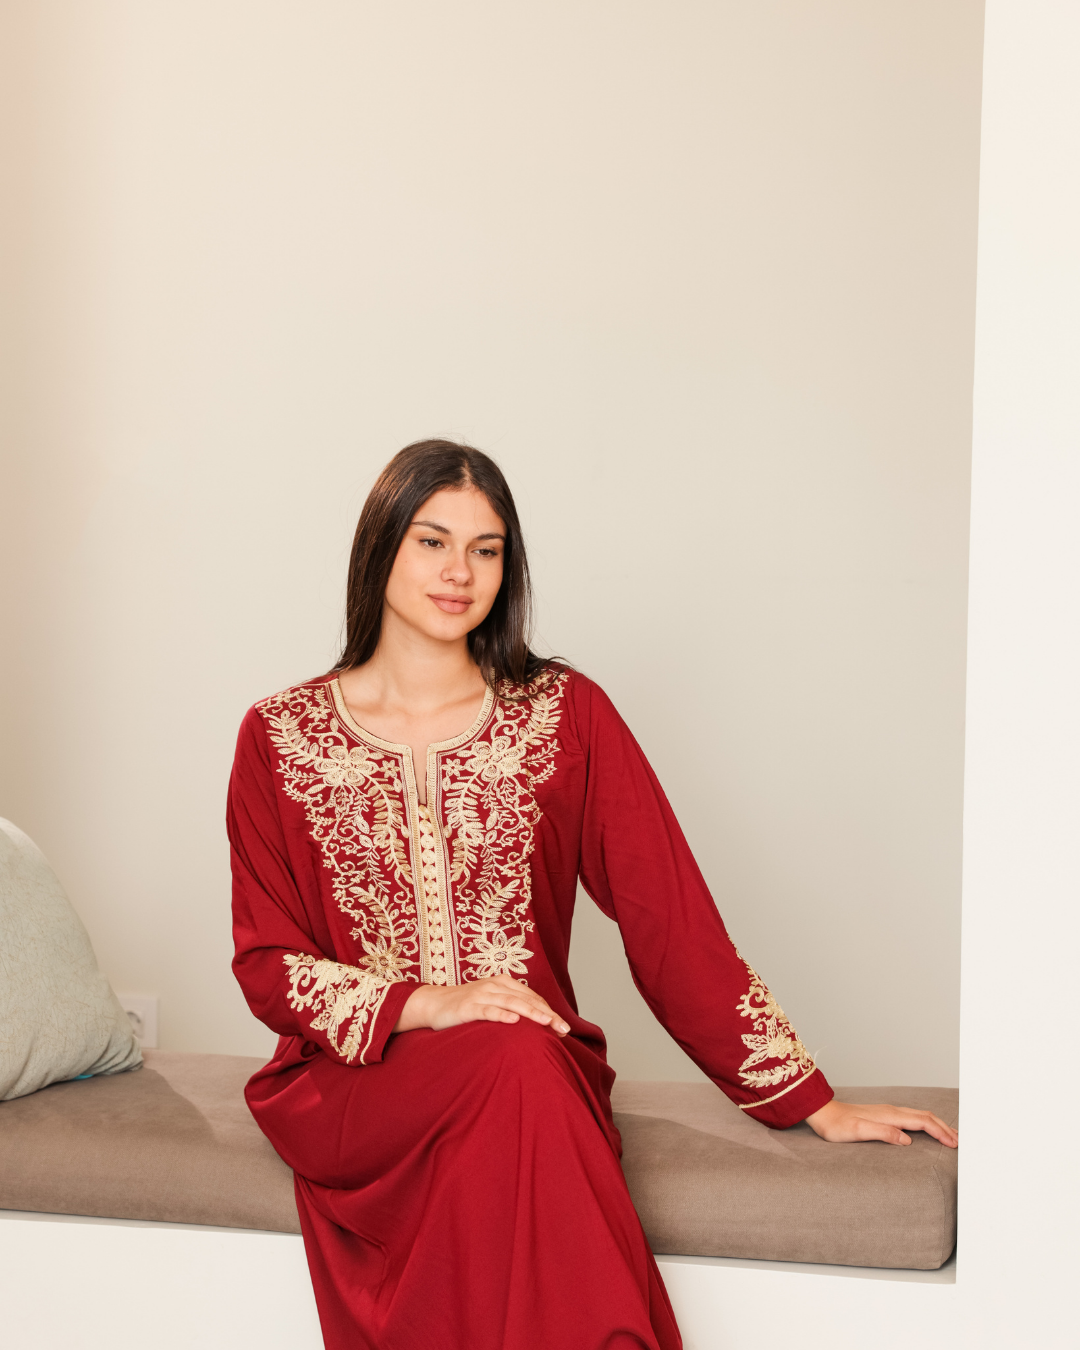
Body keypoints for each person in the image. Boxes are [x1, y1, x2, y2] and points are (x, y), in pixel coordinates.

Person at [228, 439, 958, 1350]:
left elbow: (670, 919)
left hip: (528, 1073)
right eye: (433, 541)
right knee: (514, 1064)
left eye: (487, 550)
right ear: (380, 545)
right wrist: (431, 1004)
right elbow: (268, 965)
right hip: (353, 1087)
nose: (460, 573)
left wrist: (807, 1099)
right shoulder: (279, 735)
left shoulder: (565, 713)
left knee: (521, 1061)